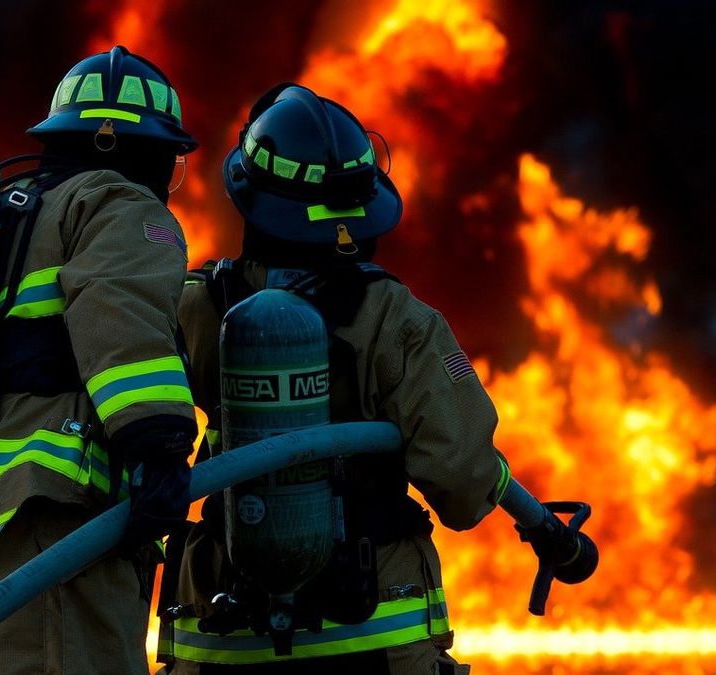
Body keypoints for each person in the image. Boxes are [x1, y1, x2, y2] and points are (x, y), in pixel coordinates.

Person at [156, 84, 512, 675]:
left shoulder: (195, 306)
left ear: (250, 199)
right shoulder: (397, 320)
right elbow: (465, 483)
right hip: (372, 636)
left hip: (223, 640)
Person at [0, 45, 199, 674]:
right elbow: (118, 314)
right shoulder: (116, 206)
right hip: (47, 528)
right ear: (149, 153)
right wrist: (157, 445)